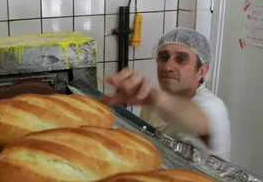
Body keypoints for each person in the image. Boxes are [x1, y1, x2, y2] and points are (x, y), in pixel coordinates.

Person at [99, 27, 231, 160]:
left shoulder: (212, 105)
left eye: (181, 59)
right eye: (164, 57)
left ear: (201, 71)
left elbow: (201, 121)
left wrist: (157, 99)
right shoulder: (154, 102)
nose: (168, 67)